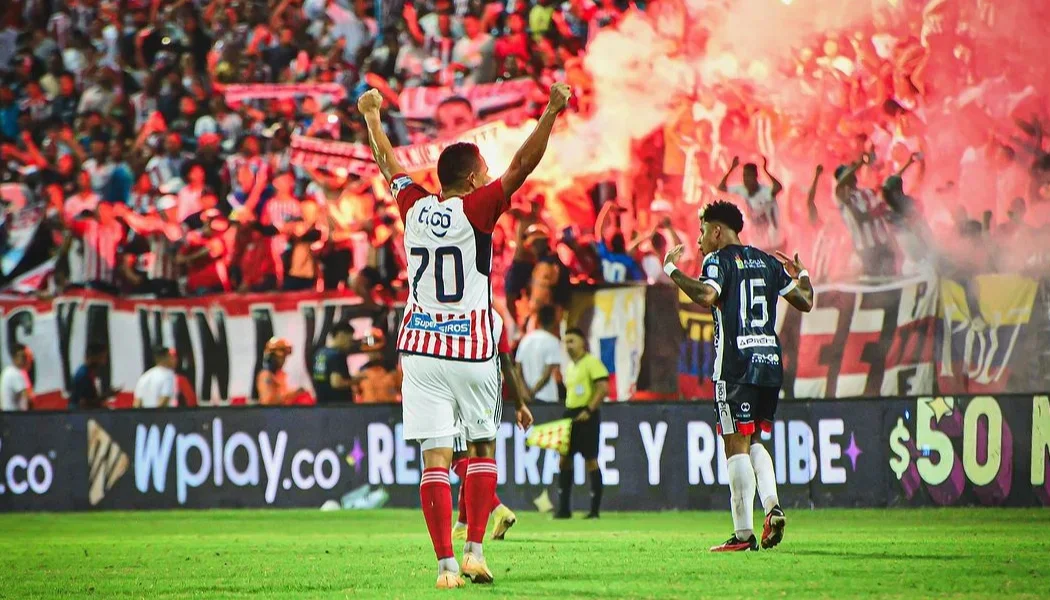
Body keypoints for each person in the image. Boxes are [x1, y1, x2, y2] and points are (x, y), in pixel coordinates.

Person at [358, 82, 571, 589]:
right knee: (481, 447)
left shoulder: (413, 206)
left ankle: (445, 567)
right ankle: (474, 551)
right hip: (471, 348)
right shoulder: (478, 209)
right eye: (485, 172)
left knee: (434, 459)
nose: (491, 176)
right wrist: (551, 111)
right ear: (473, 178)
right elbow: (522, 166)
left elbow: (388, 163)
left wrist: (372, 116)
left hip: (421, 348)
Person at [663, 200, 813, 552]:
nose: (699, 241)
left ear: (717, 231)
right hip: (769, 362)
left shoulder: (717, 260)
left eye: (702, 232)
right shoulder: (767, 262)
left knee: (735, 444)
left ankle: (743, 535)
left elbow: (707, 294)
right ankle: (773, 507)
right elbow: (805, 301)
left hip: (735, 365)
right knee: (754, 439)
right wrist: (802, 273)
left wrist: (672, 270)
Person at [452, 328, 533, 543]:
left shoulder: (455, 314)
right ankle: (462, 525)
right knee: (476, 457)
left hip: (459, 384)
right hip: (489, 390)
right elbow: (506, 362)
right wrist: (519, 403)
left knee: (459, 458)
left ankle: (498, 510)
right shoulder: (495, 320)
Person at [717, 156, 785, 252]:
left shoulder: (765, 191)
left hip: (774, 242)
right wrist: (732, 168)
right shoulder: (742, 189)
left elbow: (778, 187)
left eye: (749, 176)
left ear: (756, 177)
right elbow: (721, 188)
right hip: (757, 244)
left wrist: (765, 171)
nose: (746, 179)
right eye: (744, 176)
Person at [515, 304, 562, 403]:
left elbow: (517, 371)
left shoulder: (525, 340)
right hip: (547, 397)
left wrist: (525, 393)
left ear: (538, 320)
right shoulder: (553, 341)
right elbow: (546, 374)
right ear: (554, 321)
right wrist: (532, 392)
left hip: (526, 398)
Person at [257, 337, 306, 406]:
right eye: (281, 357)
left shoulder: (280, 375)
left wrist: (297, 393)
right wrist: (292, 394)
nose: (283, 361)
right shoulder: (266, 375)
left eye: (284, 358)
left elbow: (283, 393)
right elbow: (267, 401)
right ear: (272, 357)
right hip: (271, 412)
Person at [70, 342, 113, 410]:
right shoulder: (83, 375)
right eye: (102, 357)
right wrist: (106, 396)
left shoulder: (89, 373)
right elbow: (83, 403)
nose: (104, 362)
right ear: (94, 357)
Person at [0, 344, 33, 412]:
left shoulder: (7, 371)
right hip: (15, 414)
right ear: (14, 358)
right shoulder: (16, 374)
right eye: (23, 357)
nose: (25, 360)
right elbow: (26, 398)